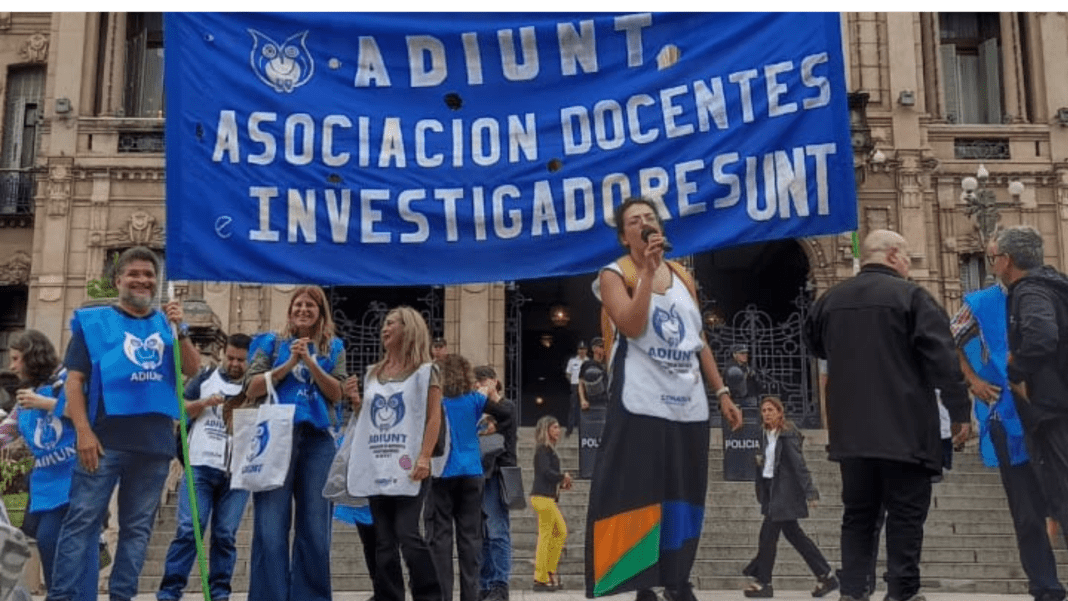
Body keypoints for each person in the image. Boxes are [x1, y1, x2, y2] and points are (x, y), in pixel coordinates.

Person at [584, 197, 743, 601]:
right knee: (640, 490)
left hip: (686, 403)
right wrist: (647, 274)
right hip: (641, 402)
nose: (644, 224)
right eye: (635, 221)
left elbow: (698, 340)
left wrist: (721, 391)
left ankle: (676, 576)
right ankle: (642, 580)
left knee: (684, 491)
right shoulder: (614, 274)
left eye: (649, 218)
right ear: (624, 236)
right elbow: (633, 326)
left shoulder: (682, 275)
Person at [805, 229, 971, 601]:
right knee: (906, 513)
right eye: (908, 259)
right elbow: (944, 360)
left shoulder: (830, 300)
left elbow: (814, 343)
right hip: (906, 429)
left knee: (858, 514)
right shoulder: (913, 297)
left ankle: (852, 591)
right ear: (894, 255)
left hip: (851, 432)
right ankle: (902, 591)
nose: (910, 267)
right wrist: (961, 412)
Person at [48, 246, 200, 601]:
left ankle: (122, 596)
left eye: (149, 275)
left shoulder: (168, 325)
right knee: (81, 524)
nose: (143, 280)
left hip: (154, 444)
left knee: (137, 530)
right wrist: (84, 432)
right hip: (103, 442)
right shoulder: (93, 322)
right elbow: (73, 381)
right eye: (134, 273)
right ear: (118, 280)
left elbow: (192, 369)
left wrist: (182, 330)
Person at [951, 268, 1066, 601]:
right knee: (1028, 510)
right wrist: (972, 379)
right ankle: (1045, 585)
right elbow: (947, 337)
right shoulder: (983, 302)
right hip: (1011, 415)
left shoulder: (1054, 291)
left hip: (1055, 413)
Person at [243, 285, 346, 601]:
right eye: (298, 304)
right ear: (290, 310)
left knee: (315, 529)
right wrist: (288, 363)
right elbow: (252, 388)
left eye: (310, 306)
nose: (303, 309)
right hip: (276, 437)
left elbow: (338, 393)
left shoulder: (334, 348)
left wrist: (311, 362)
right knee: (269, 528)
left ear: (320, 313)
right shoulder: (270, 344)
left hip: (317, 441)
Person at [346, 306, 444, 601]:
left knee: (407, 534)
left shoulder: (427, 371)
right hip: (378, 463)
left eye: (391, 323)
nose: (384, 329)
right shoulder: (372, 373)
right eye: (384, 324)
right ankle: (389, 596)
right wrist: (354, 401)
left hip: (410, 464)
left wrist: (425, 456)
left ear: (408, 329)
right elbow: (369, 418)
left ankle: (429, 595)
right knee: (383, 541)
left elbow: (433, 416)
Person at [0, 330, 97, 600]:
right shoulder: (25, 397)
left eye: (17, 358)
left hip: (75, 483)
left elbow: (88, 414)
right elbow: (7, 431)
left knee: (62, 546)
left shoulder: (67, 380)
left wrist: (46, 403)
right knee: (48, 546)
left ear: (33, 357)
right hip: (45, 489)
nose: (12, 366)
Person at [157, 333, 252, 601]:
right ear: (223, 353)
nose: (234, 364)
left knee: (225, 535)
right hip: (200, 464)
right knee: (189, 528)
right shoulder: (205, 378)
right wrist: (203, 403)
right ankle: (170, 590)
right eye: (230, 358)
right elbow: (180, 408)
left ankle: (220, 592)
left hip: (236, 472)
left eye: (241, 360)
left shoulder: (253, 384)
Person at [994, 226, 1068, 550]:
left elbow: (1042, 336)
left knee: (1063, 492)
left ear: (1007, 260)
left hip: (1053, 410)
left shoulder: (1029, 291)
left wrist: (1015, 368)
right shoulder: (1057, 286)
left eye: (993, 258)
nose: (992, 265)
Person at [426, 354, 512, 601]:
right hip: (472, 472)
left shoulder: (437, 402)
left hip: (442, 472)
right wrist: (488, 392)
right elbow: (504, 413)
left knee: (440, 539)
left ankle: (443, 595)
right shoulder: (475, 399)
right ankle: (470, 595)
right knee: (470, 540)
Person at [741, 396, 838, 599]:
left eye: (771, 410)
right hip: (770, 491)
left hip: (784, 494)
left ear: (779, 412)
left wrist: (810, 491)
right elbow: (763, 464)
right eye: (764, 410)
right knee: (794, 535)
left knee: (767, 536)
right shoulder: (763, 434)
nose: (766, 413)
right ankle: (825, 575)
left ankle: (763, 582)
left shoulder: (787, 435)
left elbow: (798, 465)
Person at [474, 365, 518, 601]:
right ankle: (485, 583)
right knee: (482, 534)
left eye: (483, 380)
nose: (479, 385)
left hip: (500, 473)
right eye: (476, 382)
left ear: (494, 381)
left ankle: (500, 584)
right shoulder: (480, 410)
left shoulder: (506, 406)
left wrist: (483, 398)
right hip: (480, 474)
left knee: (498, 530)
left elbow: (498, 418)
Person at [531, 415, 571, 592]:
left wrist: (561, 482)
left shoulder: (548, 450)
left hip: (547, 498)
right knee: (548, 536)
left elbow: (548, 475)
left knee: (558, 532)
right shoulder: (542, 450)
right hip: (542, 498)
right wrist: (562, 476)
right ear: (546, 430)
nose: (558, 430)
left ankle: (547, 572)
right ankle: (541, 577)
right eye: (554, 427)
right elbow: (546, 472)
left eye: (559, 427)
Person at [724, 344, 761, 409]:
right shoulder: (731, 368)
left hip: (750, 400)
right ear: (734, 355)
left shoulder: (747, 367)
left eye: (746, 353)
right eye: (742, 353)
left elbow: (758, 385)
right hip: (737, 401)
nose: (745, 355)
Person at [578, 338, 609, 412]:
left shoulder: (610, 364)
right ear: (593, 349)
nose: (601, 349)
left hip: (607, 404)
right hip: (591, 405)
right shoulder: (587, 365)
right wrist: (583, 400)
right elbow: (581, 384)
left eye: (602, 347)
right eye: (599, 347)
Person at [564, 341, 587, 437]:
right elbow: (568, 373)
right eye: (580, 349)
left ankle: (584, 428)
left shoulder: (589, 361)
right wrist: (572, 382)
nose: (582, 351)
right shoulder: (572, 361)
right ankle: (569, 429)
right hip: (575, 385)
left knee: (585, 407)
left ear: (586, 350)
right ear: (578, 350)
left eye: (583, 349)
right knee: (573, 407)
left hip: (585, 387)